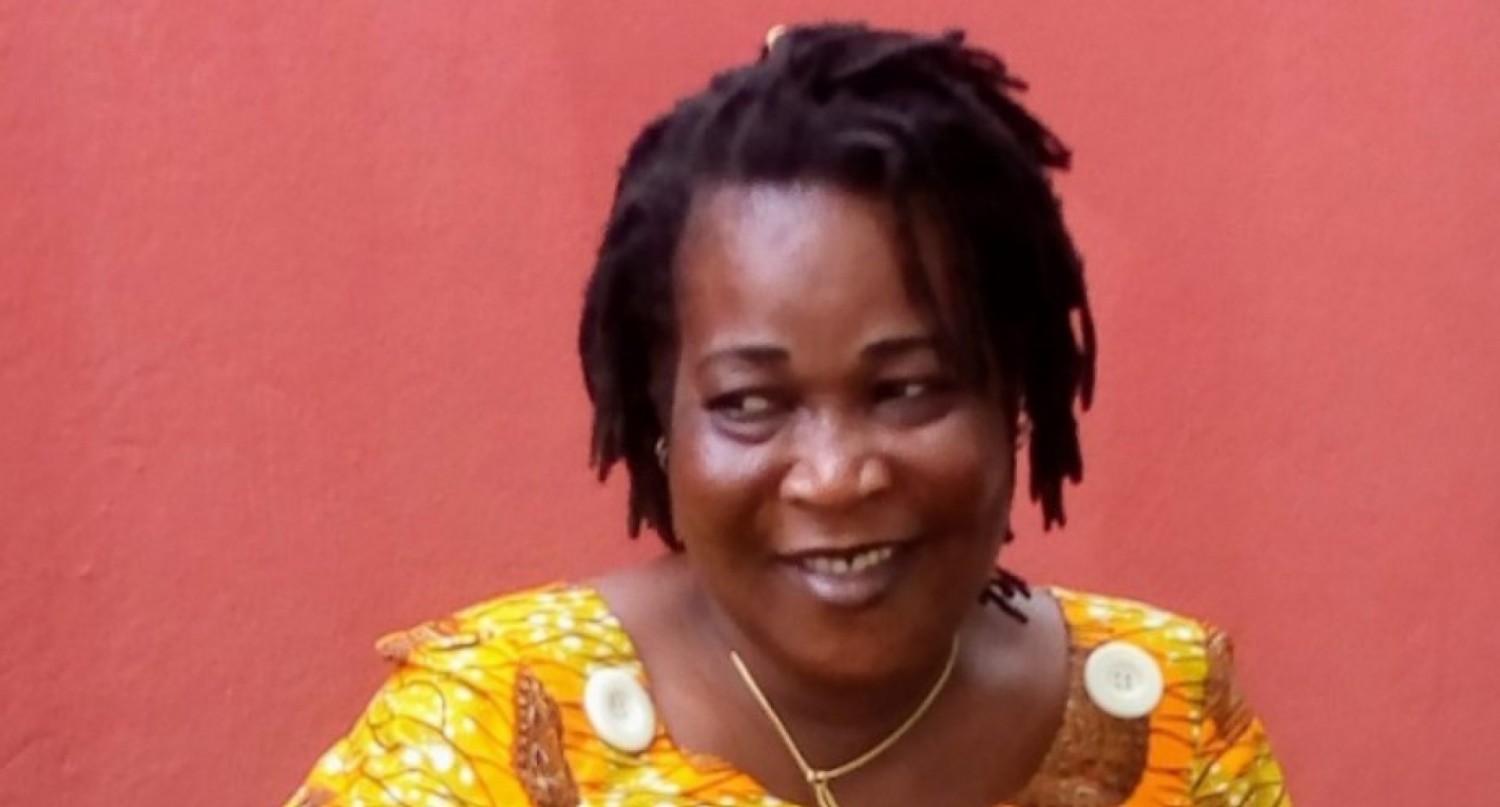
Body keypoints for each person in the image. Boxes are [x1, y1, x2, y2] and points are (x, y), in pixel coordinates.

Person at [285, 23, 1291, 807]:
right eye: (751, 404)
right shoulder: (485, 738)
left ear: (1015, 398)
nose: (836, 474)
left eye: (905, 389)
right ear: (662, 424)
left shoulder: (1168, 720)